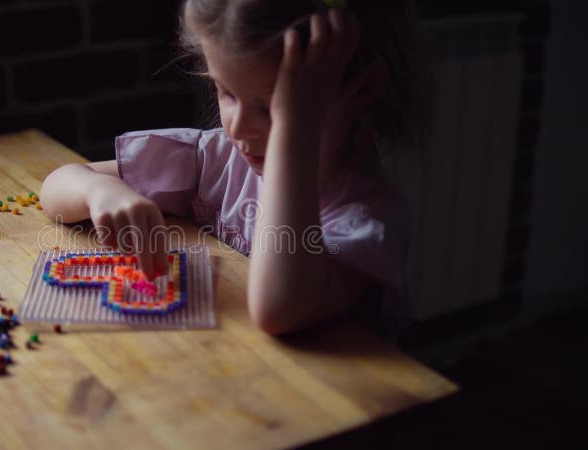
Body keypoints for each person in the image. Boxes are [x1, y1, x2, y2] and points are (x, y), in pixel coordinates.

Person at [41, 0, 421, 335]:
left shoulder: (367, 222)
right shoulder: (217, 158)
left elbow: (278, 310)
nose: (237, 127)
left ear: (363, 90)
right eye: (227, 92)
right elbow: (58, 185)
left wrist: (294, 128)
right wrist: (100, 193)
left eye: (272, 106)